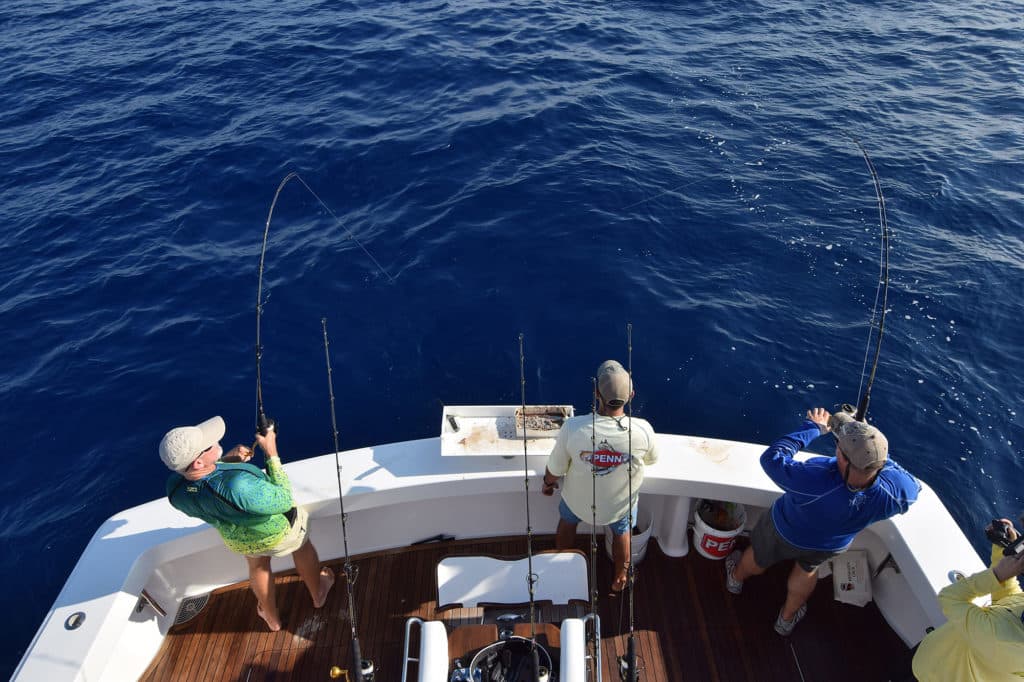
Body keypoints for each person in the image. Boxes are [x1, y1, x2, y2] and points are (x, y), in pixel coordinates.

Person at [725, 407, 920, 635]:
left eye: (840, 447)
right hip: (829, 545)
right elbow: (911, 483)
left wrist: (813, 428)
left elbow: (772, 459)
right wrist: (870, 445)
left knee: (759, 554)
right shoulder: (895, 494)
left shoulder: (817, 477)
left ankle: (735, 579)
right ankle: (785, 620)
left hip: (784, 530)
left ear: (843, 459)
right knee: (807, 570)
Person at [160, 416, 334, 632]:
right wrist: (271, 451)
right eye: (209, 445)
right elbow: (283, 499)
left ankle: (272, 619)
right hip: (278, 533)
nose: (215, 443)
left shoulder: (175, 489)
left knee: (258, 566)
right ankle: (318, 594)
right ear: (198, 461)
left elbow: (202, 483)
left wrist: (226, 461)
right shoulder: (238, 487)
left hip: (239, 540)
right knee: (302, 547)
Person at [541, 360, 659, 593]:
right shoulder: (643, 430)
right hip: (617, 509)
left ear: (596, 393)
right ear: (631, 395)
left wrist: (547, 484)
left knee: (567, 519)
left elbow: (555, 470)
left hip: (578, 505)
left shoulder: (573, 428)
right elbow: (651, 460)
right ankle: (620, 576)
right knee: (622, 530)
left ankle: (563, 562)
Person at [911, 518, 1024, 680]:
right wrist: (1004, 550)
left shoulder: (1003, 641)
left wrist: (997, 575)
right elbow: (1009, 600)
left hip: (926, 672)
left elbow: (950, 598)